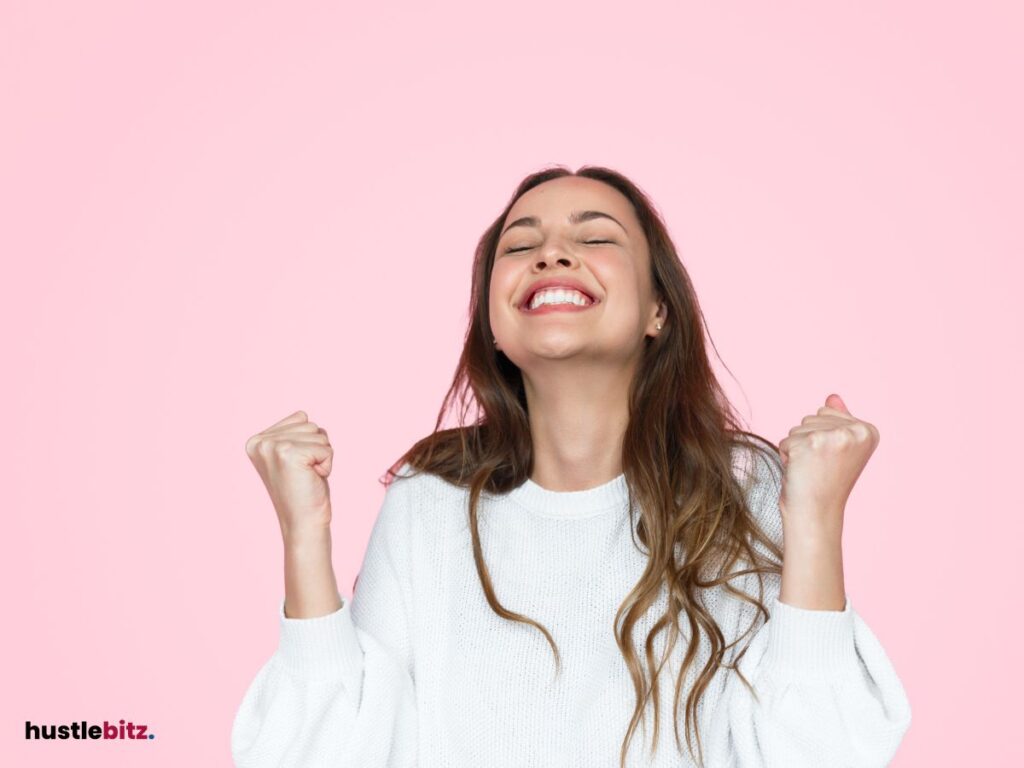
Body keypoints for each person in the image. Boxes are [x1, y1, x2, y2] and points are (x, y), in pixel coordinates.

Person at [230, 165, 912, 767]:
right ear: (494, 323)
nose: (552, 253)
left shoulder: (744, 492)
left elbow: (820, 754)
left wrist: (818, 518)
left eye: (595, 239)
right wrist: (304, 533)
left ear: (657, 310)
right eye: (521, 245)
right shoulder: (429, 502)